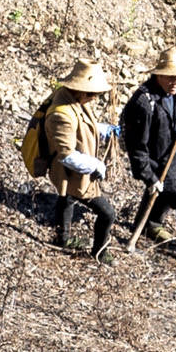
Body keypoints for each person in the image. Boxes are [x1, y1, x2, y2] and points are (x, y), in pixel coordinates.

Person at [24, 63, 117, 253]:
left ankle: (61, 239)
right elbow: (67, 155)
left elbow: (81, 125)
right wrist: (96, 165)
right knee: (107, 213)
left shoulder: (72, 99)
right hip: (69, 169)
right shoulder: (61, 114)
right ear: (81, 91)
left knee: (66, 198)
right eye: (92, 94)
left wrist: (102, 129)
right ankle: (100, 252)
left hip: (71, 168)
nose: (94, 99)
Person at [117, 51, 176, 250]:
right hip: (157, 164)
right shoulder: (143, 103)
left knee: (161, 194)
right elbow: (136, 147)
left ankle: (150, 224)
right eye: (170, 77)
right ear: (158, 75)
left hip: (174, 156)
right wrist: (150, 177)